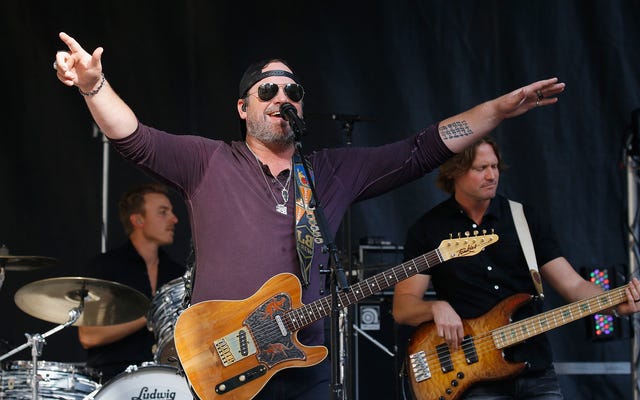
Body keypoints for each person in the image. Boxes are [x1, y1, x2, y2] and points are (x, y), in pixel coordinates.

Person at [53, 31, 565, 400]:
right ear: (243, 108)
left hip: (303, 360)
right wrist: (94, 87)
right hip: (223, 361)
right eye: (268, 90)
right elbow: (135, 139)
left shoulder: (328, 172)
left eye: (292, 92)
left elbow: (422, 149)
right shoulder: (209, 161)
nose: (282, 98)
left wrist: (497, 110)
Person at [392, 137, 640, 399]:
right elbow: (403, 307)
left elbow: (574, 285)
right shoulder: (428, 230)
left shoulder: (525, 220)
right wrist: (435, 307)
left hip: (535, 371)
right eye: (480, 168)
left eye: (494, 166)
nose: (492, 176)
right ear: (454, 171)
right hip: (472, 377)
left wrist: (614, 304)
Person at [78, 183, 184, 382]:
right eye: (163, 212)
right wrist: (151, 316)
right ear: (138, 220)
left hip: (167, 380)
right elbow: (89, 336)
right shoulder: (105, 267)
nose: (174, 219)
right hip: (113, 381)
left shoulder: (177, 274)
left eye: (171, 212)